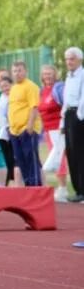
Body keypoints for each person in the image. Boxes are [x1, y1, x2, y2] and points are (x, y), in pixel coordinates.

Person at [8, 61, 42, 186]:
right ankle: (28, 184)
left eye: (20, 70)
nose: (17, 73)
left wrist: (30, 126)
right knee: (21, 160)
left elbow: (34, 107)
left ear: (25, 71)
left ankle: (35, 186)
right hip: (14, 131)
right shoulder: (14, 88)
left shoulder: (30, 86)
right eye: (15, 71)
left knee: (31, 159)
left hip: (27, 129)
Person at [37, 64, 68, 201]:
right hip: (48, 130)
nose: (47, 76)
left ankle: (62, 189)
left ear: (55, 74)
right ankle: (61, 188)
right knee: (56, 158)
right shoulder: (42, 91)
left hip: (58, 129)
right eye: (45, 74)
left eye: (50, 73)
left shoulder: (59, 88)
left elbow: (65, 106)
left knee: (58, 158)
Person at [61, 47, 84, 202]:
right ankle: (77, 189)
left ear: (79, 60)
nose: (69, 62)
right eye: (67, 59)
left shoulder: (82, 74)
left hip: (79, 114)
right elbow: (66, 99)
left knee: (80, 152)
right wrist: (63, 119)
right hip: (69, 114)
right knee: (70, 152)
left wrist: (79, 116)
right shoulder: (68, 77)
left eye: (72, 59)